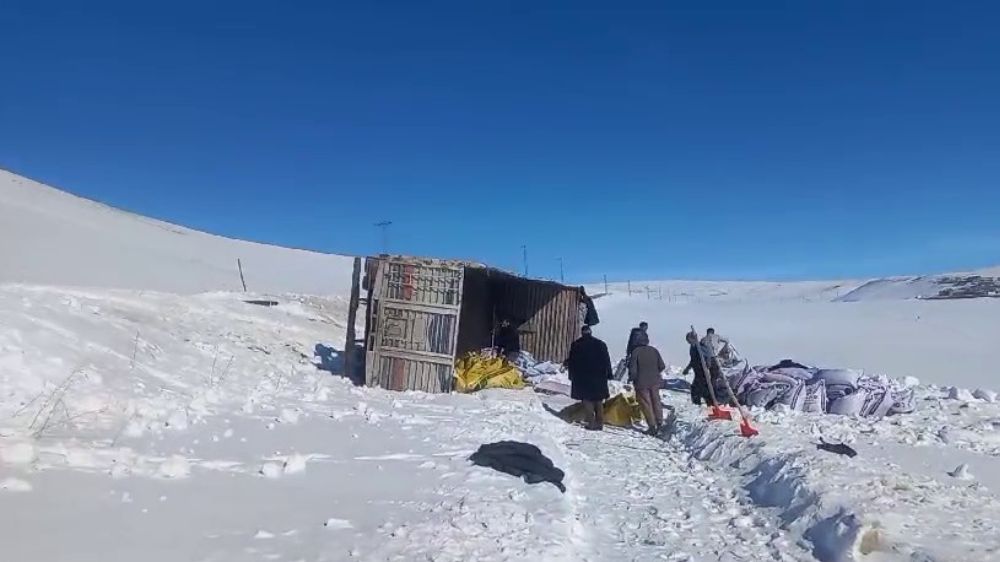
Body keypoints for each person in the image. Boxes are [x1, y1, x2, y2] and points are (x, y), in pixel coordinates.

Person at [566, 325, 613, 430]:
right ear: (590, 332)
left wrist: (571, 375)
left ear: (582, 333)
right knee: (598, 399)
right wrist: (609, 374)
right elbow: (607, 360)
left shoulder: (576, 345)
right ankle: (600, 423)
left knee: (587, 399)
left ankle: (591, 423)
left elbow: (572, 362)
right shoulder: (601, 344)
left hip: (582, 377)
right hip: (599, 376)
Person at [627, 332, 666, 435]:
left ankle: (652, 426)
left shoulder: (636, 352)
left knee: (646, 404)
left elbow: (633, 370)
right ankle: (660, 423)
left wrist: (631, 378)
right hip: (655, 381)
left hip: (641, 383)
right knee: (656, 401)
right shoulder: (654, 350)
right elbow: (662, 366)